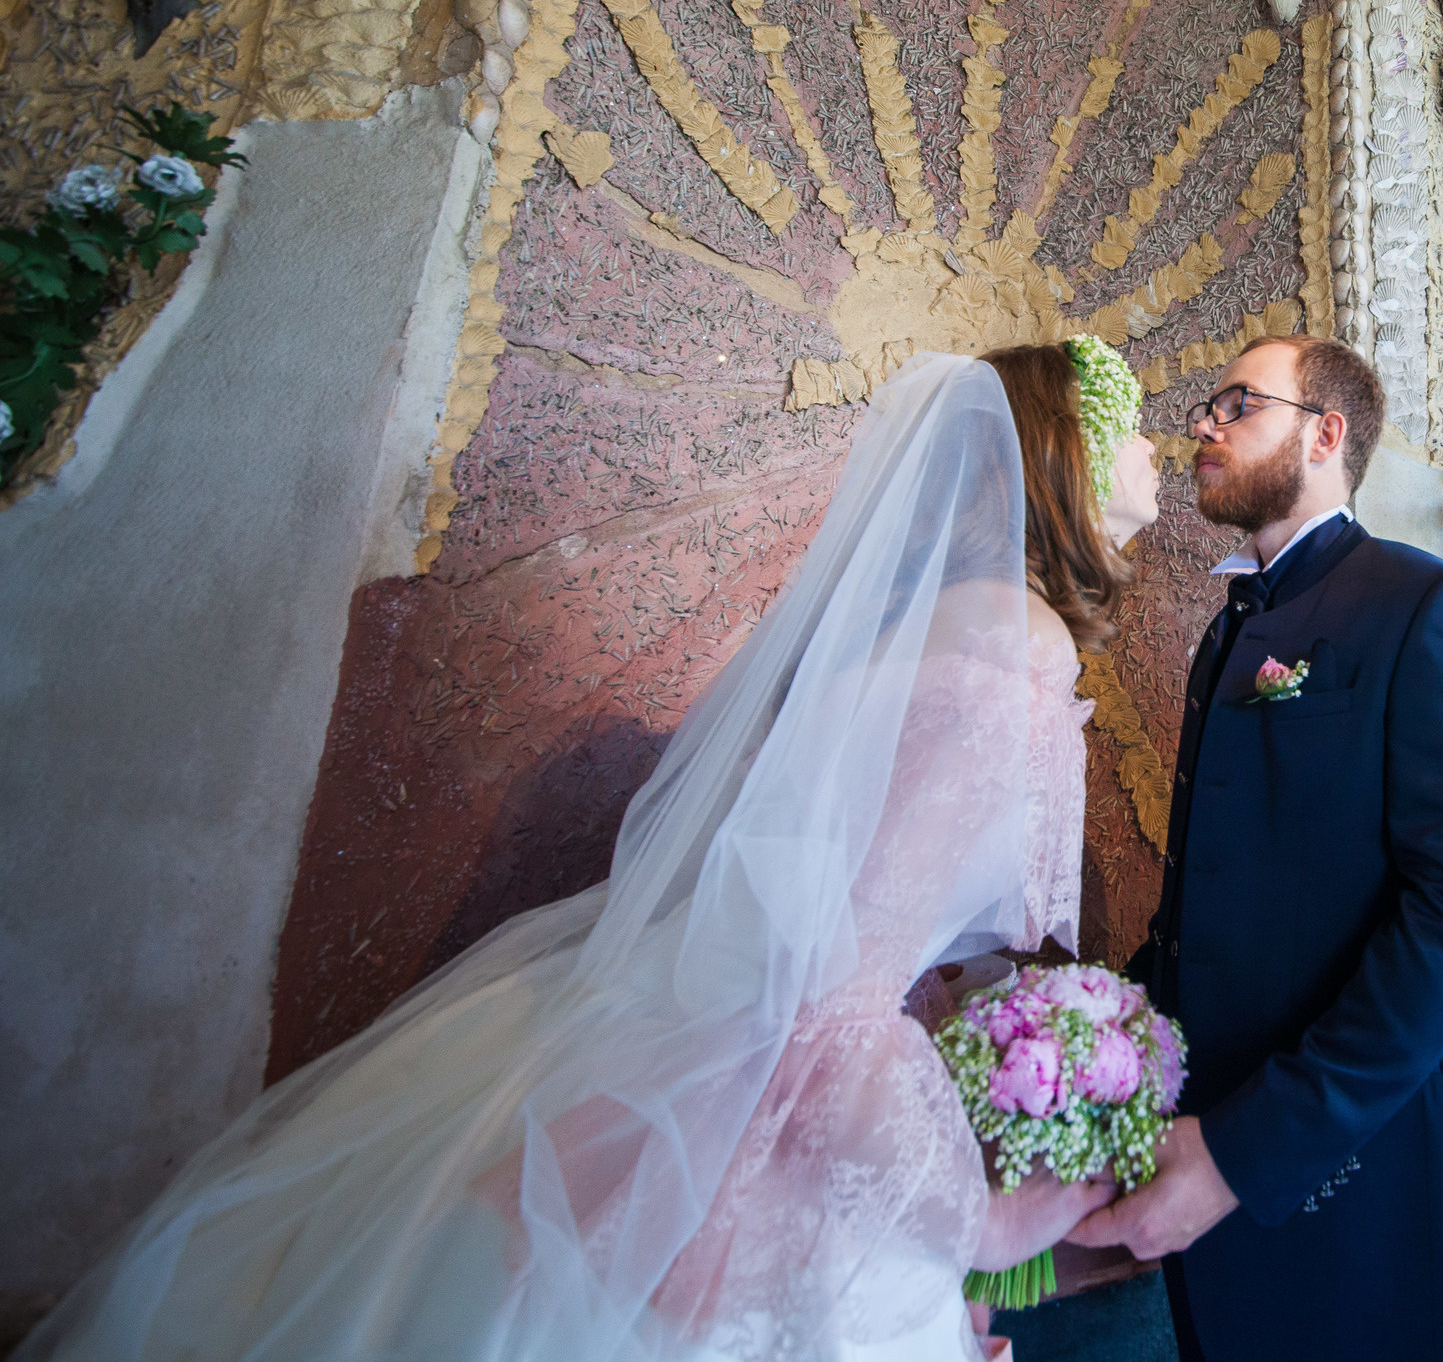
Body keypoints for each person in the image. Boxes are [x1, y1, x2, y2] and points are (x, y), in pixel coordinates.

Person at [22, 340, 1161, 1362]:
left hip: (705, 1046)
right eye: (1137, 425)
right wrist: (974, 1225)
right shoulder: (1014, 642)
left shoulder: (921, 633)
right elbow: (831, 1003)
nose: (1157, 449)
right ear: (1066, 456)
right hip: (770, 1108)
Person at [1074, 336, 1443, 1362]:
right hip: (1210, 1180)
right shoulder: (1231, 630)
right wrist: (1095, 1042)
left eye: (1237, 404)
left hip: (1357, 1193)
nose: (1204, 424)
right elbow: (1221, 904)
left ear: (1325, 434)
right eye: (1208, 406)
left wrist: (1241, 1156)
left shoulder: (1427, 607)